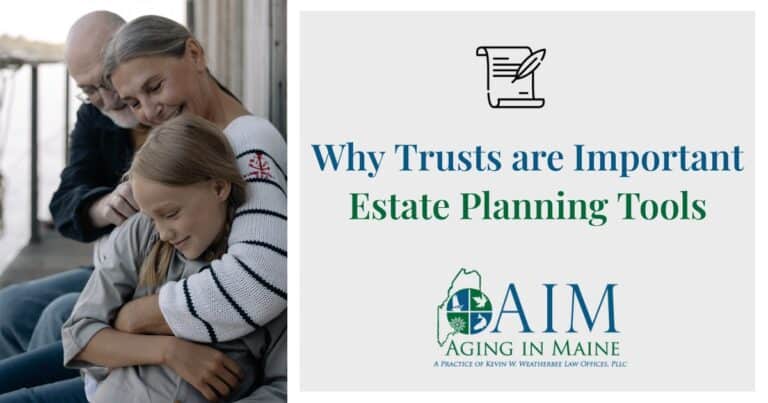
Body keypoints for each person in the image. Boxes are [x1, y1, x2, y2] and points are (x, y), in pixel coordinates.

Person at [0, 116, 286, 402]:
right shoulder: (144, 233)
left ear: (219, 188)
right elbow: (80, 335)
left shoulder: (263, 275)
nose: (162, 233)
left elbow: (283, 388)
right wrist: (170, 352)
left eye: (171, 214)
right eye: (153, 217)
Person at [101, 14, 287, 344]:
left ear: (195, 55)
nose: (149, 111)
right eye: (133, 103)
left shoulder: (248, 142)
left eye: (155, 87)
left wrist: (134, 317)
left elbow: (261, 276)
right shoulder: (191, 147)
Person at [0, 10, 142, 360]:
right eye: (89, 90)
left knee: (59, 317)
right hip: (110, 267)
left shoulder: (174, 109)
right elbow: (63, 203)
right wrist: (104, 206)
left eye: (109, 81)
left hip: (153, 278)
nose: (107, 100)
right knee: (8, 307)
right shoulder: (96, 114)